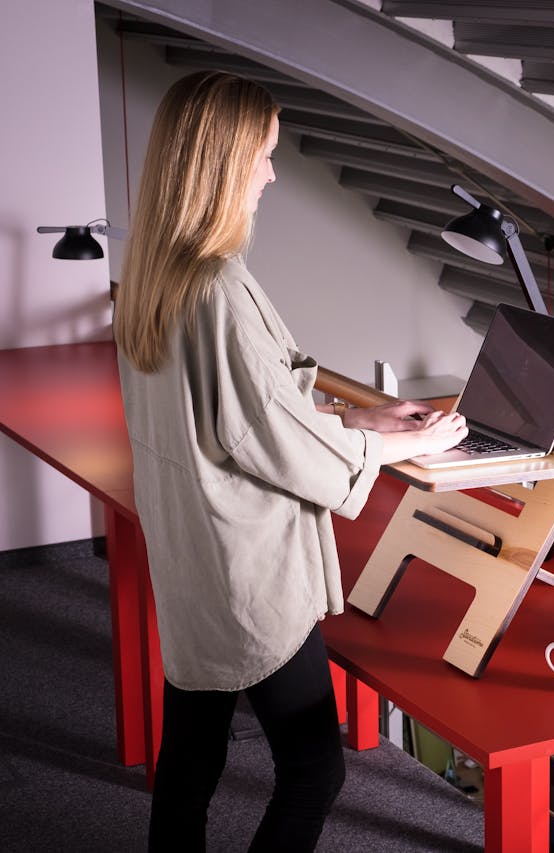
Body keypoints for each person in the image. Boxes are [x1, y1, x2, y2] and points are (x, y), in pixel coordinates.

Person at [113, 70, 467, 852]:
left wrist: (355, 414)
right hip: (247, 567)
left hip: (190, 555)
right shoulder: (217, 289)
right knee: (314, 769)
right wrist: (401, 441)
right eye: (264, 156)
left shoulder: (153, 274)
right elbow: (266, 436)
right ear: (224, 163)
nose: (271, 174)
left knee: (192, 759)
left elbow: (243, 408)